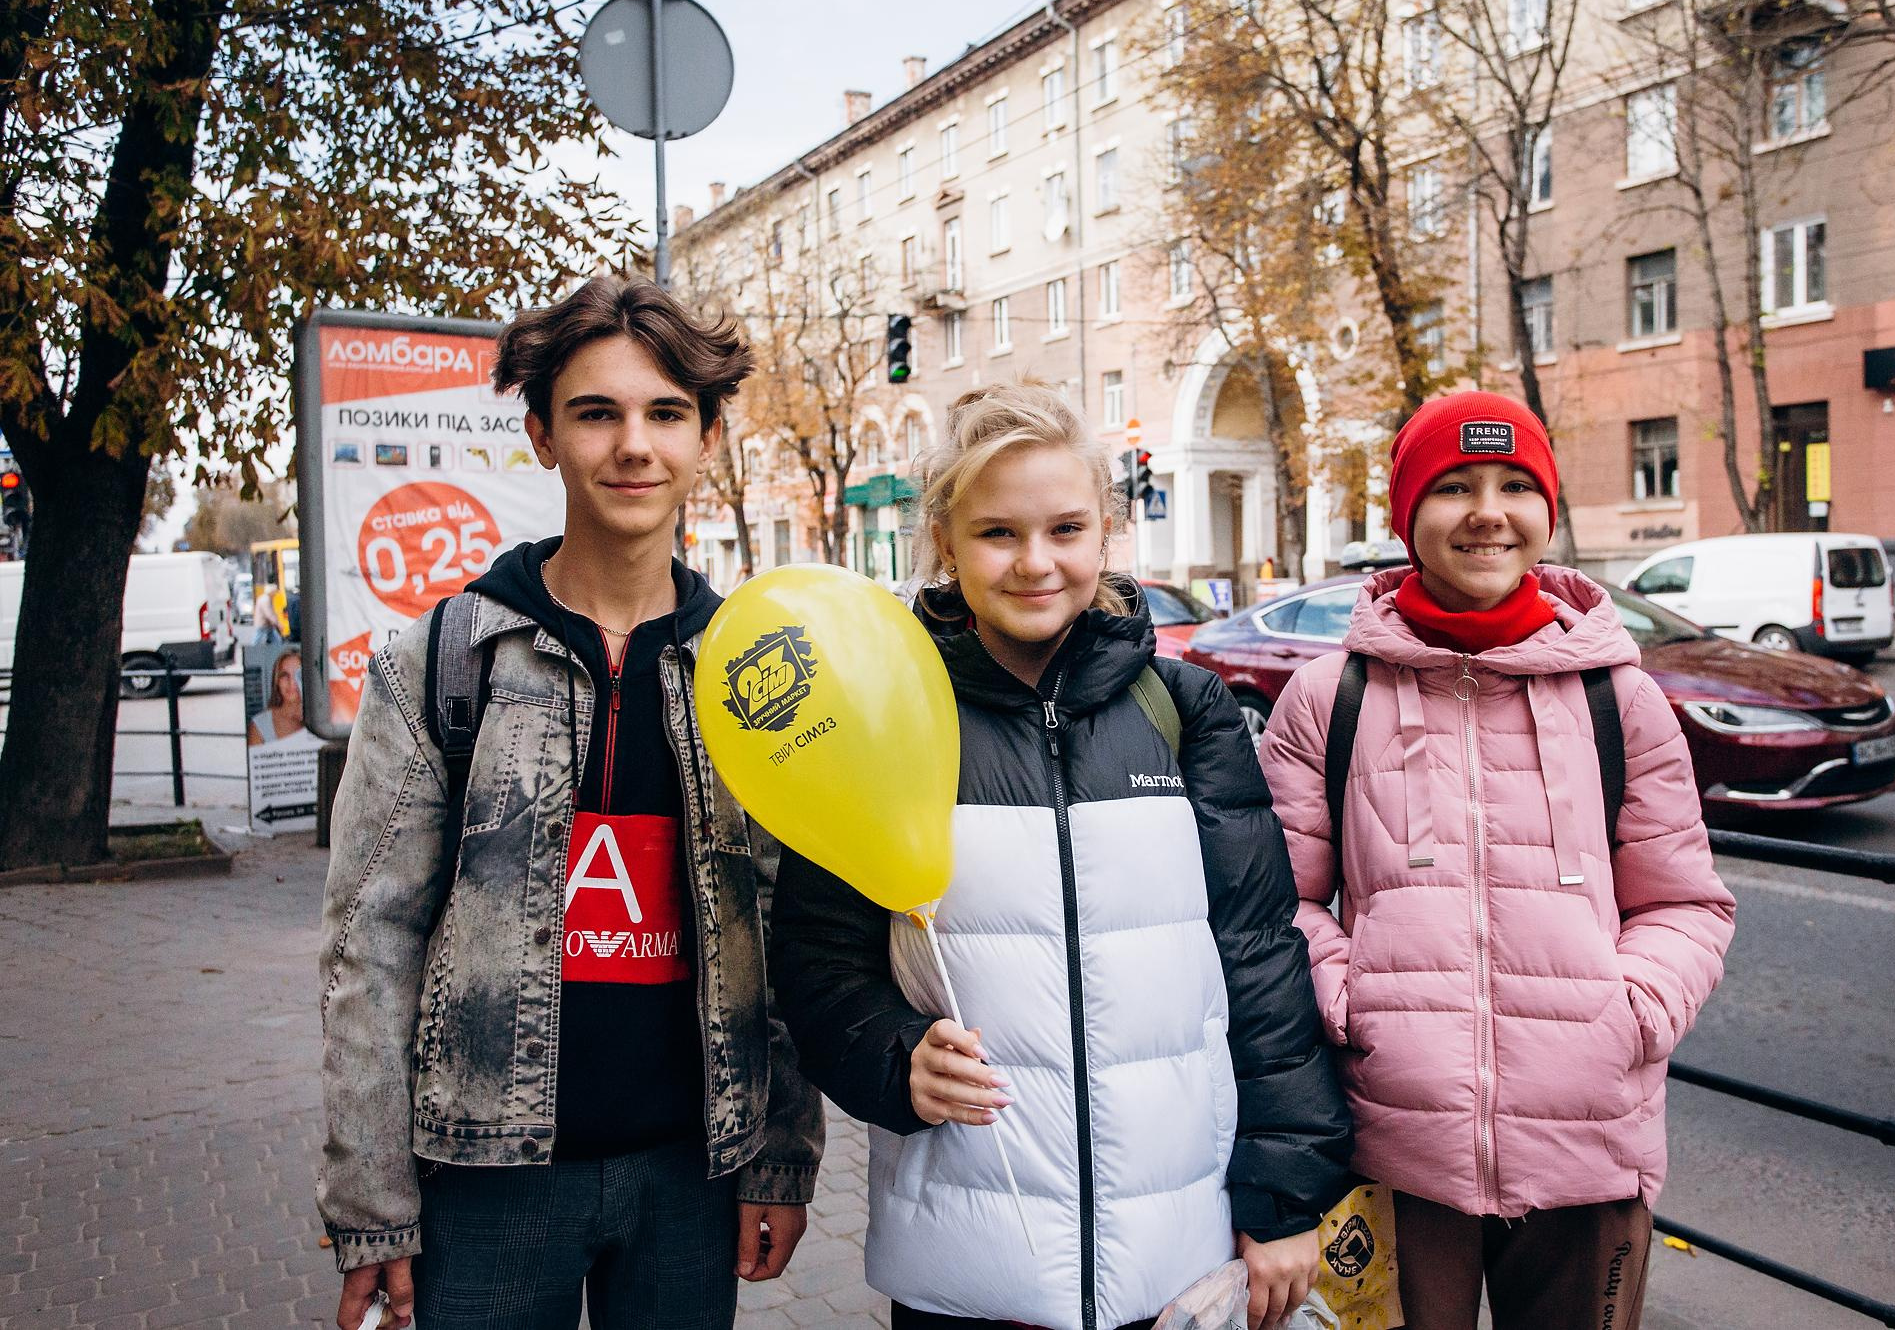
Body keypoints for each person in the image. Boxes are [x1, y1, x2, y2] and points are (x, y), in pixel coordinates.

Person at [770, 382, 1353, 1330]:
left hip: (1174, 1259)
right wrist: (892, 1056)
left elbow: (1257, 956)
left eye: (1066, 529)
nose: (1036, 562)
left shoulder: (1184, 709)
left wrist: (1286, 1195)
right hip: (964, 1264)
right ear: (946, 546)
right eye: (999, 533)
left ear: (1106, 533)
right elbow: (815, 957)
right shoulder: (880, 724)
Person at [317, 276, 824, 1330]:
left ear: (707, 436)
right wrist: (373, 1209)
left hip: (691, 1175)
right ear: (542, 436)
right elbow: (370, 942)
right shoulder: (445, 659)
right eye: (596, 413)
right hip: (489, 1181)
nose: (632, 445)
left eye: (665, 413)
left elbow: (787, 929)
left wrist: (779, 1153)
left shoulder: (757, 672)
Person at [1258, 391, 1735, 1330]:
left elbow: (1685, 905)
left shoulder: (1620, 700)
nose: (1489, 510)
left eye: (1516, 484)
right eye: (1455, 486)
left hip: (1588, 1141)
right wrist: (1356, 1001)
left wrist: (1628, 1012)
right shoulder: (1328, 698)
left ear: (1546, 511)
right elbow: (1277, 903)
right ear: (1407, 516)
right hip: (1392, 1143)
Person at [246, 648, 305, 746]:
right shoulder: (260, 725)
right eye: (284, 675)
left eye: (298, 675)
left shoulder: (322, 719)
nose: (292, 683)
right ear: (276, 680)